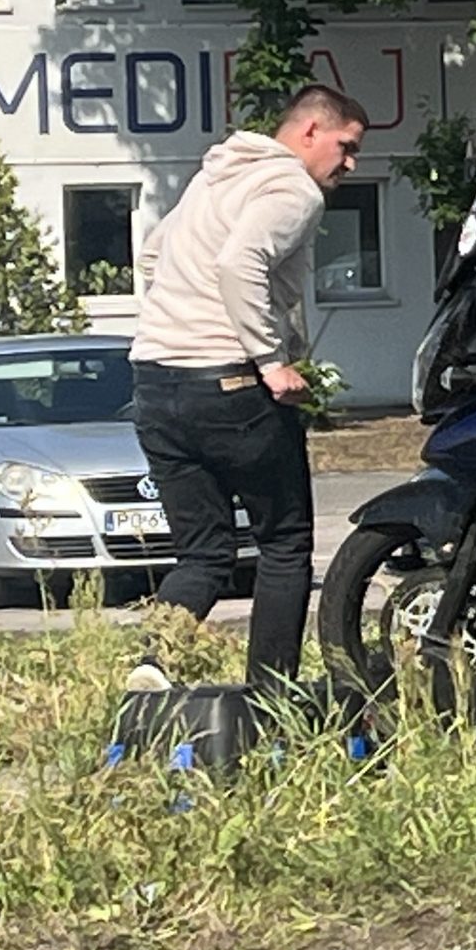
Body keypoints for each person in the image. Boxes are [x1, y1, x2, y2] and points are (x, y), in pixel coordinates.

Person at [127, 83, 367, 696]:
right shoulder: (292, 188)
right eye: (345, 146)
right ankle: (270, 697)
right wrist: (270, 361)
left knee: (204, 554)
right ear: (310, 131)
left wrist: (182, 321)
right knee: (284, 546)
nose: (349, 164)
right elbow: (240, 263)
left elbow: (154, 255)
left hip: (155, 382)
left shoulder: (217, 175)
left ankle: (152, 663)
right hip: (230, 385)